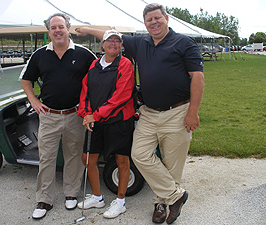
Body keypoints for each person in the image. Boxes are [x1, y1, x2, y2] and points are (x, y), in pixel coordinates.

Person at [75, 3, 204, 224]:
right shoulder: (140, 42)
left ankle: (162, 204)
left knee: (172, 164)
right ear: (144, 24)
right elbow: (110, 34)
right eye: (149, 20)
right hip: (149, 113)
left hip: (177, 112)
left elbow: (198, 77)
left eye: (157, 18)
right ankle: (177, 195)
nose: (153, 23)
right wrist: (87, 30)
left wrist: (193, 112)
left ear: (166, 18)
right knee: (140, 154)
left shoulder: (184, 42)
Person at [20, 13, 96, 219]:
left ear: (68, 28)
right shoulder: (39, 55)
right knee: (46, 158)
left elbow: (97, 77)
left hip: (75, 115)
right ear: (49, 31)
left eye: (61, 27)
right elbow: (26, 80)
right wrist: (34, 101)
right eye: (53, 28)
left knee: (73, 157)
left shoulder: (84, 54)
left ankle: (71, 194)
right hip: (49, 115)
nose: (57, 31)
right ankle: (44, 199)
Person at [77, 30, 135, 219]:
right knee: (88, 159)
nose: (113, 44)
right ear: (102, 45)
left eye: (117, 41)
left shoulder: (125, 64)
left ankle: (120, 202)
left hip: (118, 121)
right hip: (96, 121)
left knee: (121, 161)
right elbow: (85, 91)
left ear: (120, 46)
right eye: (109, 40)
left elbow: (121, 96)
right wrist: (86, 114)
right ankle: (97, 197)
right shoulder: (94, 65)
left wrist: (95, 115)